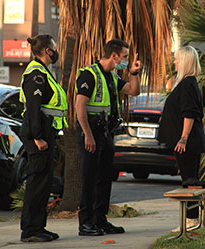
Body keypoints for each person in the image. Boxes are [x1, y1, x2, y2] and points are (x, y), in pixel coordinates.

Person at [75, 39, 141, 236]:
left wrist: (135, 73)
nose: (126, 61)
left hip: (105, 133)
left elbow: (133, 91)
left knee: (104, 178)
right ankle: (85, 223)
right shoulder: (89, 74)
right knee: (89, 179)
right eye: (125, 57)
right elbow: (80, 106)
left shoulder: (112, 76)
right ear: (114, 56)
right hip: (91, 132)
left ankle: (100, 220)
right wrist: (87, 135)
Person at [19, 34, 67, 242]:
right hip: (38, 137)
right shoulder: (36, 75)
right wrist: (37, 137)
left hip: (47, 135)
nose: (57, 51)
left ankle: (39, 227)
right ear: (48, 50)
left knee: (43, 183)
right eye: (55, 47)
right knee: (37, 183)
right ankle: (30, 230)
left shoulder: (44, 72)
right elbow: (33, 109)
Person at [158, 45, 205, 232]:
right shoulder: (187, 83)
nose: (175, 62)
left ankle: (191, 220)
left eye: (178, 59)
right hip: (188, 142)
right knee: (189, 180)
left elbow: (189, 113)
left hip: (188, 143)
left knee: (190, 181)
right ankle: (191, 219)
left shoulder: (187, 84)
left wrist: (183, 138)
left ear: (185, 62)